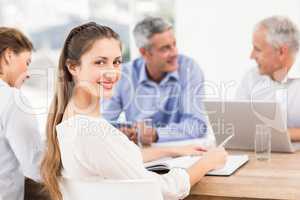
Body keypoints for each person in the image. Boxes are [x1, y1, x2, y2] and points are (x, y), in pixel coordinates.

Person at [41, 22, 227, 200]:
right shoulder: (92, 132)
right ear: (73, 66)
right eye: (100, 62)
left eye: (116, 62)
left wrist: (173, 149)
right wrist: (207, 162)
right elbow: (165, 190)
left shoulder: (72, 121)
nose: (112, 72)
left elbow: (117, 156)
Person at [102, 17, 208, 145]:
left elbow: (197, 125)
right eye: (165, 48)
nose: (174, 53)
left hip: (181, 153)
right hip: (140, 153)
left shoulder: (189, 69)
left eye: (174, 44)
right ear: (145, 53)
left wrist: (156, 134)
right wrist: (121, 132)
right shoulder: (124, 75)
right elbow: (102, 123)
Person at [236, 16, 300, 142]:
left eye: (257, 49)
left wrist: (279, 135)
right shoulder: (251, 78)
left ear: (281, 52)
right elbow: (237, 124)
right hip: (259, 155)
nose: (251, 56)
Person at [0, 27, 43, 200]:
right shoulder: (12, 99)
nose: (28, 74)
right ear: (9, 55)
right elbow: (35, 166)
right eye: (27, 62)